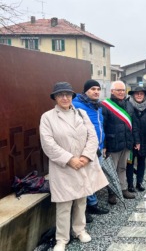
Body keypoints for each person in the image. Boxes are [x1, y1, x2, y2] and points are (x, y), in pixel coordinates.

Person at [39, 82, 108, 251]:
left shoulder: (81, 113)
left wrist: (85, 156)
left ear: (72, 97)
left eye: (68, 94)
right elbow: (48, 144)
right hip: (62, 166)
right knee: (63, 204)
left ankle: (80, 230)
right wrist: (70, 159)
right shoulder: (47, 117)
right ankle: (61, 239)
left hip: (82, 164)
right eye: (60, 95)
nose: (65, 98)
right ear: (55, 97)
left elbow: (92, 136)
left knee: (81, 200)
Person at [72, 80, 109, 222]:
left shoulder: (97, 106)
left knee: (92, 178)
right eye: (93, 89)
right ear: (86, 90)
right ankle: (83, 210)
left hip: (98, 148)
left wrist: (103, 144)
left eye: (98, 89)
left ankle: (92, 204)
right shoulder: (76, 105)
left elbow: (100, 127)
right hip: (85, 150)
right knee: (83, 179)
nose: (96, 91)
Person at [102, 81, 139, 204]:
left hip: (126, 143)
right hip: (113, 144)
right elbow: (103, 127)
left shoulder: (129, 105)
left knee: (122, 168)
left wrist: (136, 140)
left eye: (123, 90)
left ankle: (123, 189)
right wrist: (105, 145)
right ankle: (112, 192)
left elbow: (134, 125)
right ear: (112, 91)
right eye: (118, 90)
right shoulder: (106, 106)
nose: (121, 92)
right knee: (111, 169)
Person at [126, 86, 146, 192]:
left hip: (145, 140)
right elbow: (131, 124)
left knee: (141, 162)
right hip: (131, 140)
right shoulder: (127, 105)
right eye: (137, 93)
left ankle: (139, 182)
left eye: (141, 94)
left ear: (144, 95)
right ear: (133, 95)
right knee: (129, 163)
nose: (139, 95)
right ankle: (130, 184)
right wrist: (135, 140)